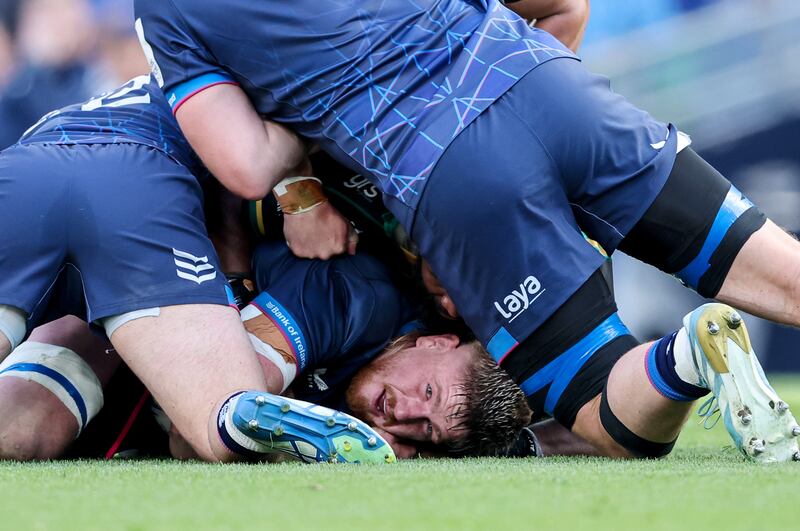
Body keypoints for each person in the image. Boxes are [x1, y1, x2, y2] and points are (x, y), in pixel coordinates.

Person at [134, 0, 800, 461]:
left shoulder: (168, 11)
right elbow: (566, 6)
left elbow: (245, 166)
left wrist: (302, 154)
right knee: (780, 271)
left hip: (444, 163)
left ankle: (688, 354)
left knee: (603, 413)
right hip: (555, 90)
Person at [0, 74, 396, 464]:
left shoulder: (146, 78)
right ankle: (238, 412)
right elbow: (284, 106)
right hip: (135, 181)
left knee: (16, 436)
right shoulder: (220, 67)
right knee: (217, 424)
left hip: (21, 173)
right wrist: (302, 200)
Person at [0, 240, 534, 461]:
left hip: (154, 384)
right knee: (21, 431)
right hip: (129, 310)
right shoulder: (356, 299)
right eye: (428, 390)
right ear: (437, 340)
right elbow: (197, 422)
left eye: (427, 429)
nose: (406, 412)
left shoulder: (384, 417)